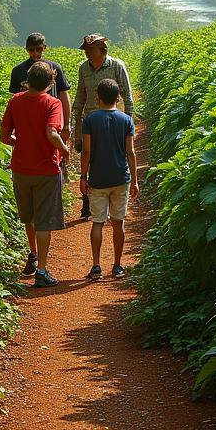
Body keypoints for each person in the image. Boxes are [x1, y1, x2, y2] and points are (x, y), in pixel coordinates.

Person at [0, 61, 71, 287]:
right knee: (44, 220)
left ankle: (32, 253)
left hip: (21, 168)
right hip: (46, 170)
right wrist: (64, 149)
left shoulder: (15, 100)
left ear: (28, 79)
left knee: (28, 217)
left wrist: (20, 144)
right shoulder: (53, 103)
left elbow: (3, 136)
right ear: (51, 82)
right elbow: (51, 132)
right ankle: (41, 269)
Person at [80, 78, 139, 279]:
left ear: (98, 97)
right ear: (118, 97)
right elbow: (130, 152)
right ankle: (117, 265)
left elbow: (86, 151)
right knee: (118, 222)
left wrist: (83, 176)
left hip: (98, 179)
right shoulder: (126, 120)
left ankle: (96, 266)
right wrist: (135, 180)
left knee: (97, 222)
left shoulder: (90, 119)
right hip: (121, 178)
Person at [72, 34, 134, 219]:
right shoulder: (83, 69)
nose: (87, 54)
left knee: (112, 157)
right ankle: (87, 205)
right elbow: (80, 97)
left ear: (102, 50)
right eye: (86, 50)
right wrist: (76, 127)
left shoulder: (117, 66)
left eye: (91, 50)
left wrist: (128, 122)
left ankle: (111, 201)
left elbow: (127, 96)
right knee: (89, 158)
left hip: (114, 121)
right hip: (90, 121)